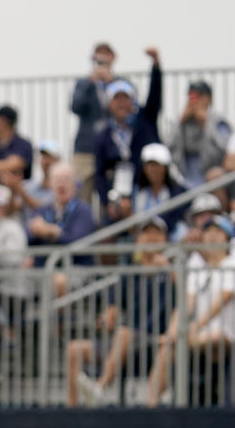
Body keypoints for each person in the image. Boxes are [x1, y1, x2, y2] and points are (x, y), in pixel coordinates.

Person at [67, 217, 174, 407]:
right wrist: (106, 319)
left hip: (156, 341)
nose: (152, 238)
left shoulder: (175, 269)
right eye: (147, 233)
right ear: (138, 240)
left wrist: (169, 269)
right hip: (125, 343)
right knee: (74, 349)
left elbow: (187, 299)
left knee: (124, 333)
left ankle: (99, 389)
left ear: (165, 239)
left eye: (157, 233)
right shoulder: (129, 272)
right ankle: (72, 408)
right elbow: (112, 309)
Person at [148, 215, 235, 407]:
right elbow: (185, 305)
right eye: (208, 231)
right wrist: (172, 332)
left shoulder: (231, 264)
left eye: (218, 232)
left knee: (213, 337)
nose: (212, 236)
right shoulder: (199, 269)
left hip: (226, 334)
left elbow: (222, 300)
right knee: (167, 348)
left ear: (227, 237)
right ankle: (151, 406)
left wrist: (191, 329)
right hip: (198, 335)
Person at [93, 48, 162, 219]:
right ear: (110, 104)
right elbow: (99, 174)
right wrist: (107, 201)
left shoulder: (145, 120)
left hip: (145, 190)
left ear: (133, 101)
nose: (122, 103)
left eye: (126, 98)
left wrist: (156, 66)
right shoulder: (104, 135)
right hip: (116, 196)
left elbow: (155, 96)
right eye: (117, 99)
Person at [27, 162, 96, 296]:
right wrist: (41, 232)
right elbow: (29, 234)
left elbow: (78, 242)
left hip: (76, 268)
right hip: (44, 268)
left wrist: (52, 232)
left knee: (59, 281)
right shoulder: (43, 209)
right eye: (57, 180)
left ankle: (60, 317)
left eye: (66, 179)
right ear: (50, 184)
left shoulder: (83, 210)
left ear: (75, 184)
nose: (61, 184)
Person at [71, 43, 118, 202]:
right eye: (99, 58)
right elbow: (75, 106)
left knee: (111, 195)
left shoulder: (120, 83)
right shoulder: (84, 83)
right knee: (81, 194)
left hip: (112, 150)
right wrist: (91, 81)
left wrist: (110, 82)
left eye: (106, 57)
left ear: (113, 59)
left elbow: (130, 108)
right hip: (85, 149)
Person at [167, 80, 232, 186]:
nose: (194, 101)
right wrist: (180, 123)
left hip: (211, 178)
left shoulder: (219, 122)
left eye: (199, 96)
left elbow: (226, 150)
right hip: (184, 176)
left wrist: (206, 124)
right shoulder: (181, 121)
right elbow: (168, 148)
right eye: (191, 96)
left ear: (209, 99)